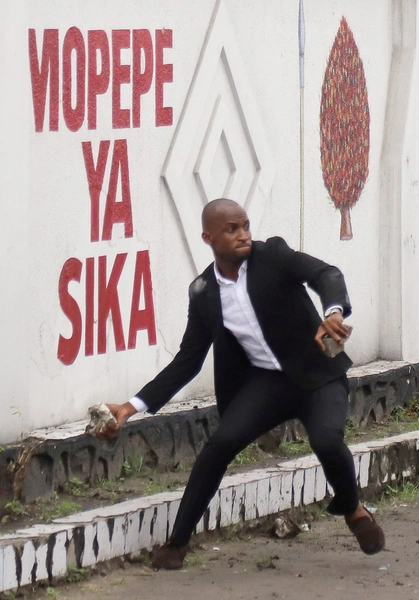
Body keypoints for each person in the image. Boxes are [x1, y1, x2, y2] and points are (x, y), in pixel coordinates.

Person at [98, 198, 385, 569]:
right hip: (268, 384)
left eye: (245, 226)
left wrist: (332, 312)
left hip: (318, 375)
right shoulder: (203, 292)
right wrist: (131, 406)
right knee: (219, 446)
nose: (243, 235)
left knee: (327, 440)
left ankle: (353, 510)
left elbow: (326, 274)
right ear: (209, 237)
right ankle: (177, 543)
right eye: (232, 229)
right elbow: (188, 360)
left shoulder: (273, 256)